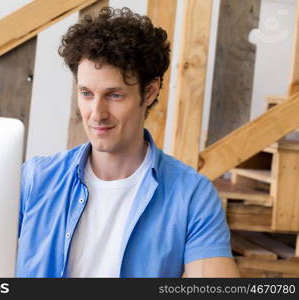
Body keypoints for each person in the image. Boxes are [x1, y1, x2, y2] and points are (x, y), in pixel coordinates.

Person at [16, 7, 239, 278]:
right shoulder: (34, 180)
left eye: (114, 95)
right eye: (86, 93)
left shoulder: (192, 196)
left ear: (149, 92)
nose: (96, 113)